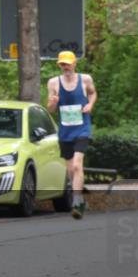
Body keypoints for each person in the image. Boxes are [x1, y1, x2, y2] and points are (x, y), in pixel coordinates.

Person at [47, 50, 97, 220]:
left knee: (77, 165)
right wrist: (52, 103)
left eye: (68, 63)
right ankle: (79, 196)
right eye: (62, 64)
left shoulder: (85, 79)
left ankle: (76, 201)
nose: (65, 67)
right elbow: (50, 109)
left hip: (82, 128)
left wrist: (90, 105)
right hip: (65, 131)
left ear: (75, 64)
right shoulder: (53, 82)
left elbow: (92, 93)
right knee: (70, 169)